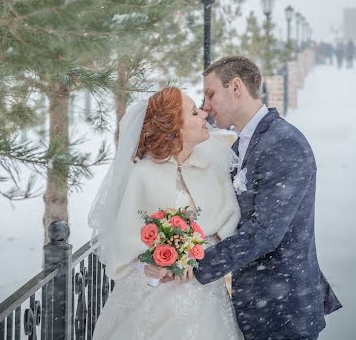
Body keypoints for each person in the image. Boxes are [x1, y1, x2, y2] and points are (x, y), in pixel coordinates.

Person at [148, 56, 341, 340]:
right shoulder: (243, 144)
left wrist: (196, 263)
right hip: (256, 305)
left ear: (235, 87)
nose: (206, 106)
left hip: (282, 309)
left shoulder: (284, 143)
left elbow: (264, 232)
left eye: (211, 94)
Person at [88, 86, 244, 340]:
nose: (204, 115)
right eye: (194, 113)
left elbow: (228, 222)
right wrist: (148, 267)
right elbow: (125, 243)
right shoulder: (143, 175)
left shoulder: (212, 166)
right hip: (155, 296)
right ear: (175, 127)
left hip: (204, 294)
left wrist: (198, 254)